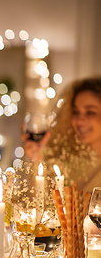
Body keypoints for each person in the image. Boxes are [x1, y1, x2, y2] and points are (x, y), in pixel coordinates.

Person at [22, 77, 101, 233]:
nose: (80, 119)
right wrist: (37, 158)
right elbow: (37, 212)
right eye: (76, 112)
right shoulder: (65, 158)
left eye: (90, 112)